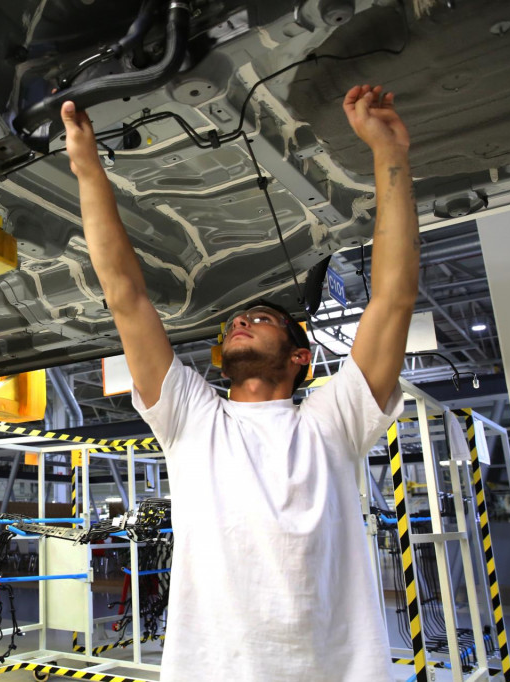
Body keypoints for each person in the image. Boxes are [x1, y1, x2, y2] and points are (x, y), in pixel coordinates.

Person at [60, 84, 419, 681]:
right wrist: (88, 170)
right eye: (235, 322)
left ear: (302, 358)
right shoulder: (191, 419)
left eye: (267, 318)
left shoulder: (335, 421)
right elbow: (125, 296)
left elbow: (394, 297)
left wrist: (388, 154)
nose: (244, 320)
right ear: (220, 355)